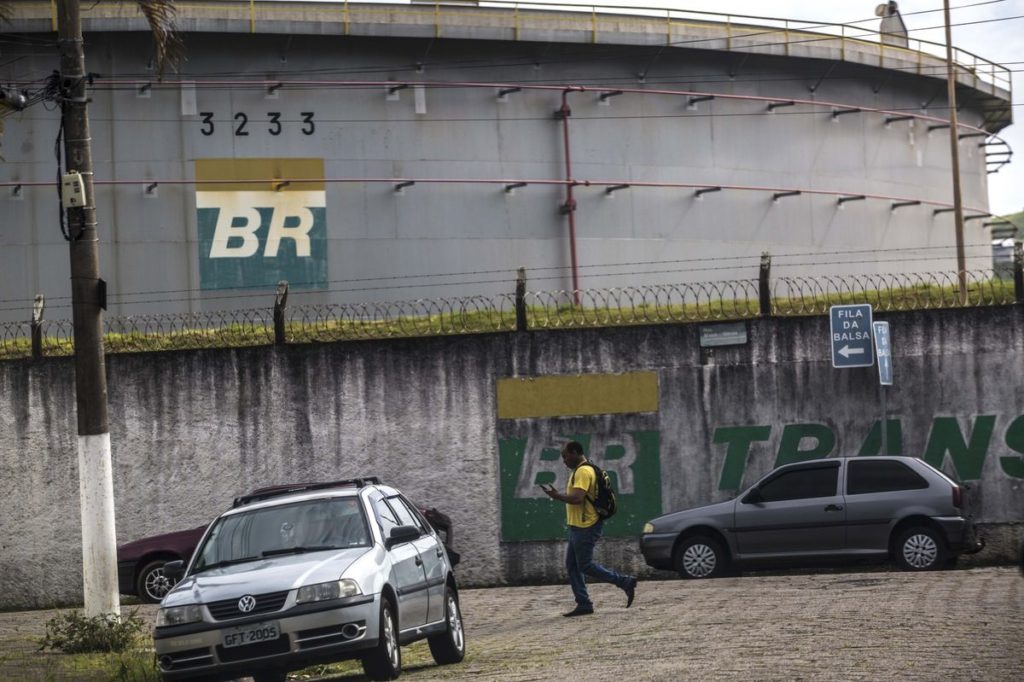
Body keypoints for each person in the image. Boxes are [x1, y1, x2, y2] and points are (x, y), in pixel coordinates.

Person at [541, 440, 638, 617]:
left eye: (565, 456)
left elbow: (577, 498)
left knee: (584, 565)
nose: (563, 460)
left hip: (586, 526)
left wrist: (556, 496)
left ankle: (624, 581)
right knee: (572, 565)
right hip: (578, 525)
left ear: (575, 452)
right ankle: (584, 603)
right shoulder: (582, 470)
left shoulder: (584, 471)